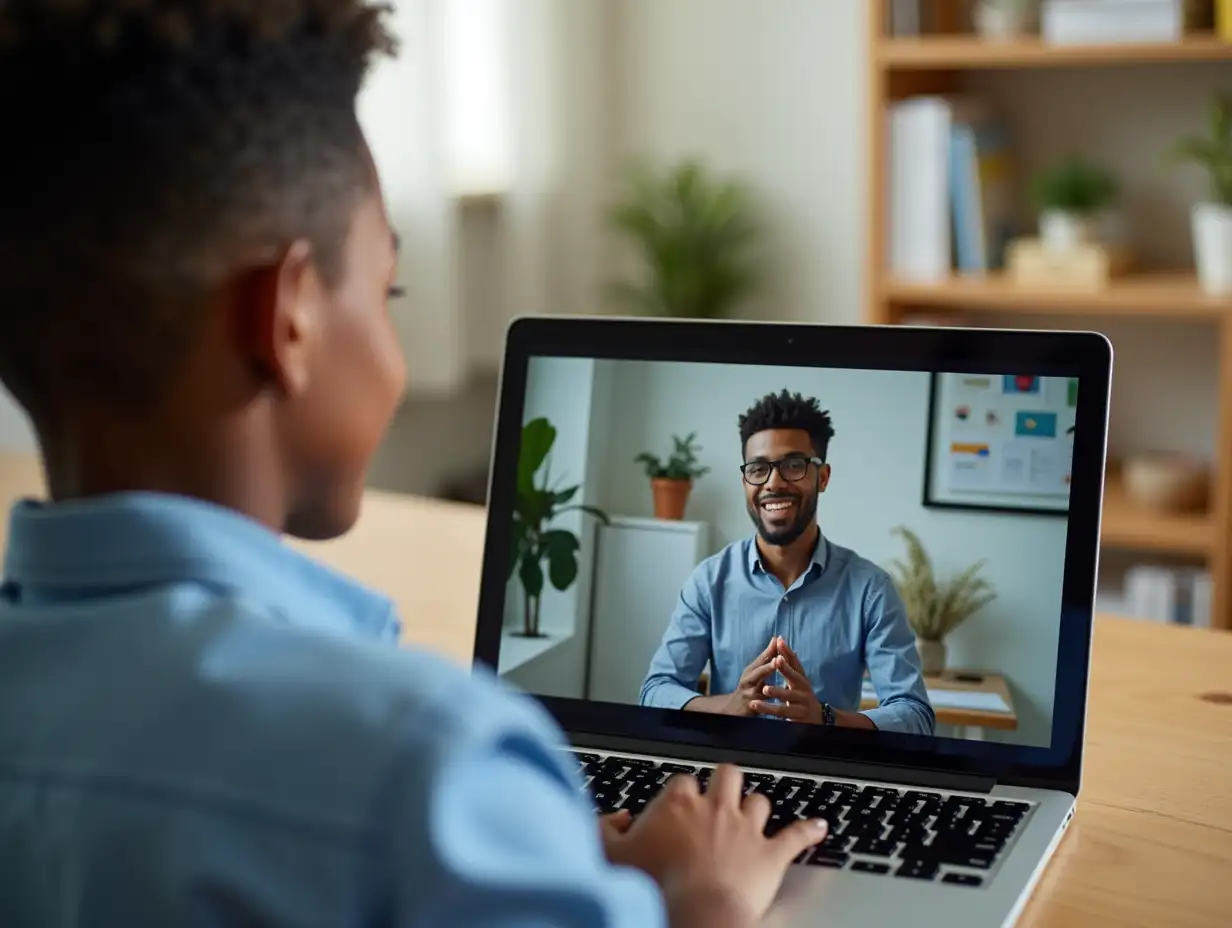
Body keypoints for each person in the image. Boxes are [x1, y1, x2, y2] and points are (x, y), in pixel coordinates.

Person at [0, 4, 828, 926]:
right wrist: (702, 902)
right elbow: (658, 700)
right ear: (289, 321)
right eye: (387, 291)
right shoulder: (430, 768)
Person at [640, 389, 935, 736]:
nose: (773, 483)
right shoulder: (708, 581)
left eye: (794, 465)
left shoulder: (870, 589)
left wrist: (825, 718)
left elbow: (915, 716)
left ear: (822, 477)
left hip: (825, 774)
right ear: (745, 480)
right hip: (729, 770)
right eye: (758, 468)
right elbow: (656, 691)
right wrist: (729, 707)